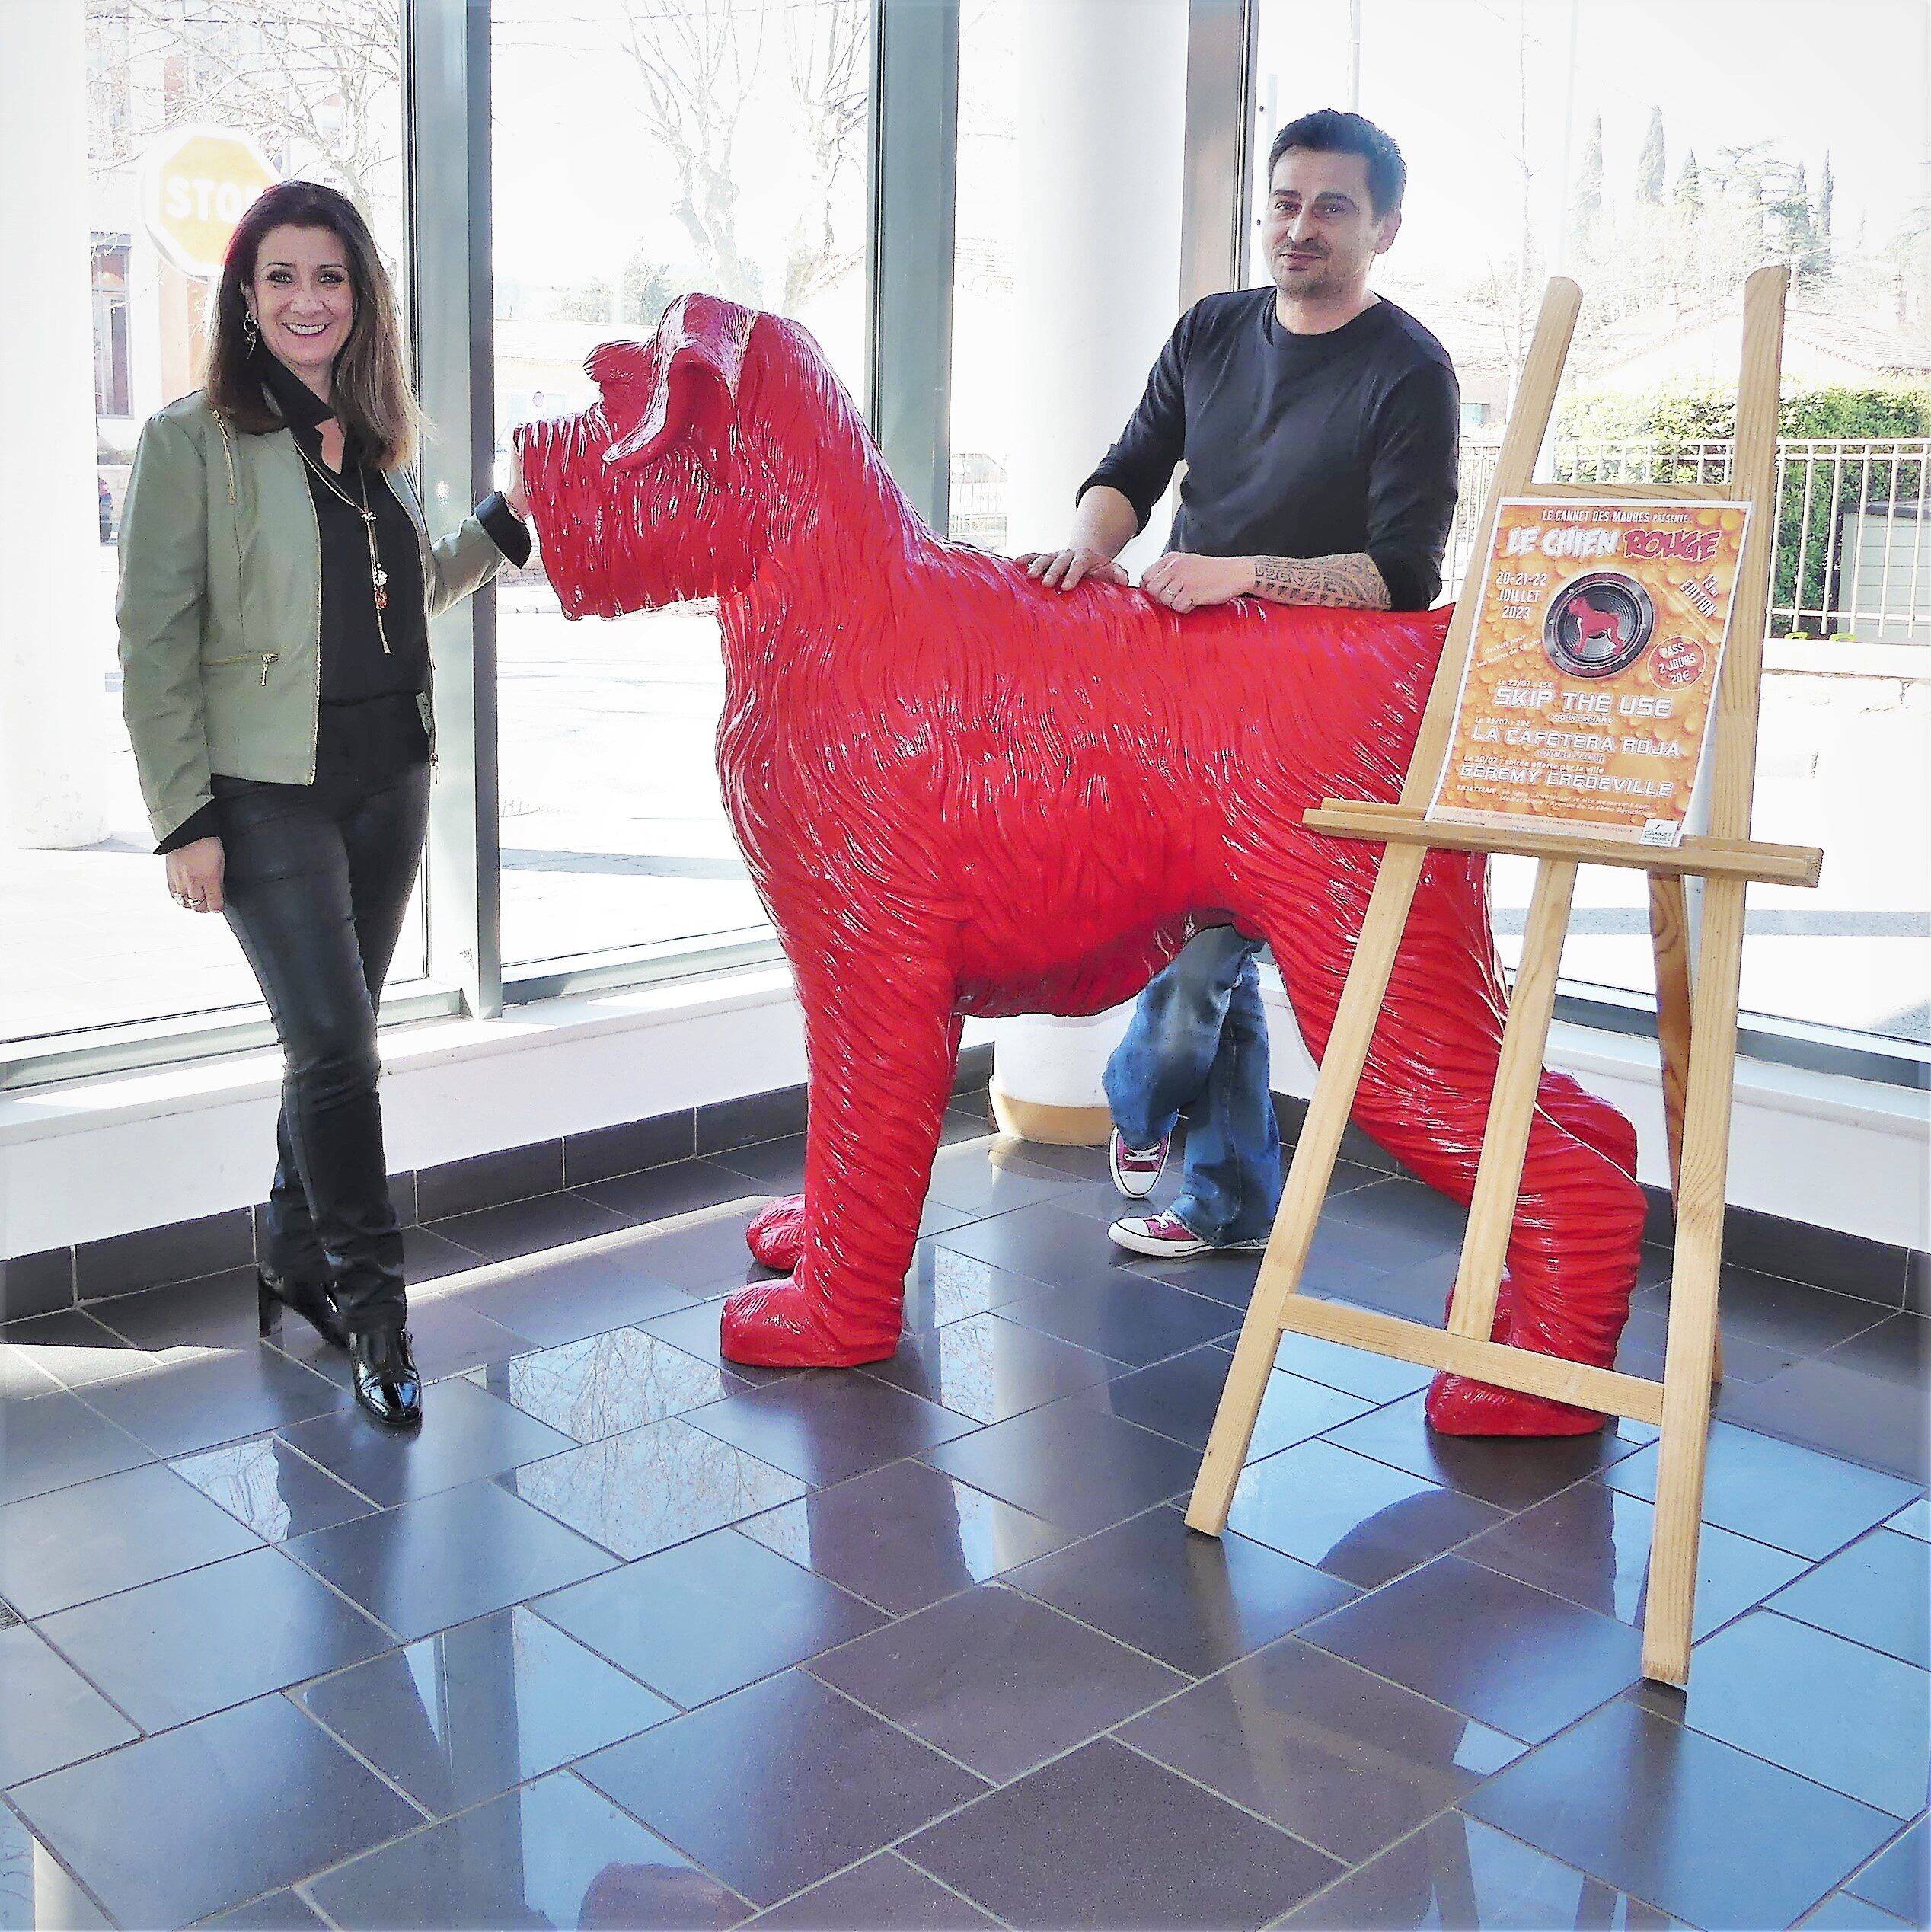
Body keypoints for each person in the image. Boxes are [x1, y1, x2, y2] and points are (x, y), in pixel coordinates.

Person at [117, 180, 533, 1428]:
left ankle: (293, 1257)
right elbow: (155, 641)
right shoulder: (191, 441)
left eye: (331, 278)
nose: (308, 300)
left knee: (329, 1044)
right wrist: (182, 816)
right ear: (245, 298)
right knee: (341, 1049)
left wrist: (503, 527)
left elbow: (403, 598)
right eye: (283, 277)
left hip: (387, 776)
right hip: (263, 792)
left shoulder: (380, 446)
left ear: (362, 302)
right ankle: (375, 1307)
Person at [1020, 108, 1459, 1260]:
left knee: (1202, 964)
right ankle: (1224, 1198)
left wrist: (1244, 576)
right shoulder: (1210, 332)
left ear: (1386, 226)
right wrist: (1091, 549)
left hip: (1314, 725)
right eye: (1285, 201)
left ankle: (1141, 1099)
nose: (1299, 227)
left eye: (1332, 207)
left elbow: (1405, 578)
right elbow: (1128, 469)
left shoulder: (1411, 370)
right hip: (1180, 708)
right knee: (1194, 952)